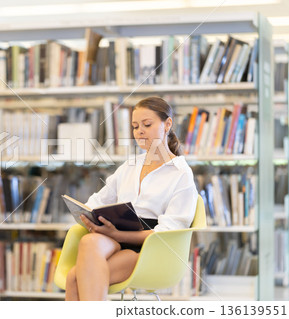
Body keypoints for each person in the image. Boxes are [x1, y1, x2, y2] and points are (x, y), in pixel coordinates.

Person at [65, 96, 198, 301]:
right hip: (116, 236)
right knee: (89, 241)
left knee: (75, 278)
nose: (139, 132)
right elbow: (99, 200)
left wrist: (117, 235)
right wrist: (87, 215)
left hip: (150, 247)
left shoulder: (181, 173)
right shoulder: (130, 165)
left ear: (167, 124)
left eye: (147, 124)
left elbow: (168, 233)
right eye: (135, 127)